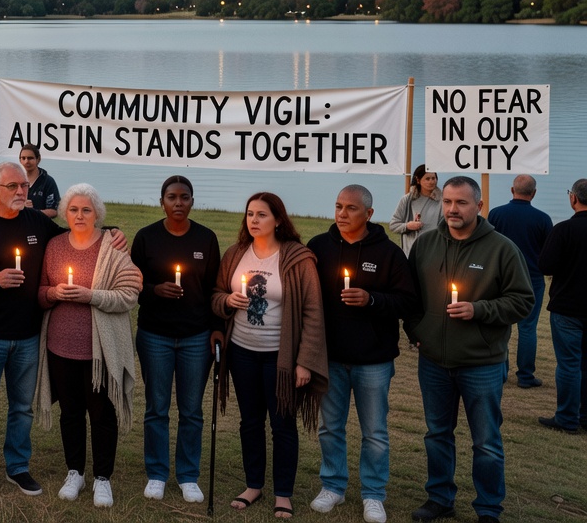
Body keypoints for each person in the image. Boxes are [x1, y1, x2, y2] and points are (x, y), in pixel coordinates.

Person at [0, 161, 122, 501]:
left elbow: (75, 234)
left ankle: (17, 467)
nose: (20, 192)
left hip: (28, 335)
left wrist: (112, 231)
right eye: (12, 186)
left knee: (22, 407)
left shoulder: (37, 223)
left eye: (24, 186)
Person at [404, 176, 532, 523]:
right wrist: (416, 330)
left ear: (479, 206)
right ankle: (440, 498)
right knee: (437, 435)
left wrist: (480, 309)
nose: (452, 209)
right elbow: (410, 296)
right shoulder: (426, 244)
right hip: (433, 361)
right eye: (446, 202)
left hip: (481, 363)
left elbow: (523, 301)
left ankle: (489, 508)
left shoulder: (502, 248)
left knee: (486, 441)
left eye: (461, 203)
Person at [305, 185, 417, 523]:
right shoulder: (319, 247)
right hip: (330, 357)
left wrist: (372, 300)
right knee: (330, 427)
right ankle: (333, 486)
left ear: (368, 214)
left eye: (351, 208)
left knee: (375, 432)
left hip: (374, 360)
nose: (341, 214)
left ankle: (373, 494)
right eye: (338, 206)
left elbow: (408, 302)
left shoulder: (388, 254)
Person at [213, 191, 327, 520]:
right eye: (250, 214)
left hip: (280, 358)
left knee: (282, 425)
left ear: (278, 219)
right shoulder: (236, 254)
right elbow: (217, 294)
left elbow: (313, 312)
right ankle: (253, 485)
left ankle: (283, 493)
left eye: (261, 215)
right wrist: (227, 302)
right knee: (250, 422)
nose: (254, 220)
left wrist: (304, 360)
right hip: (243, 353)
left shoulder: (297, 258)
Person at [35, 184, 142, 509]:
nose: (79, 215)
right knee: (70, 413)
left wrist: (90, 296)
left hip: (100, 351)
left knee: (102, 413)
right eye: (74, 210)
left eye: (86, 210)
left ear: (98, 213)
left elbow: (130, 294)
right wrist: (53, 294)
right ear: (65, 213)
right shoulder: (54, 246)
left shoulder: (113, 247)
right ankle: (75, 472)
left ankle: (103, 478)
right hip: (60, 347)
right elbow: (40, 292)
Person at [129, 175, 221, 504]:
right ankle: (156, 472)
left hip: (196, 337)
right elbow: (132, 286)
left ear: (193, 201)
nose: (178, 203)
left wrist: (216, 328)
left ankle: (188, 474)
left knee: (192, 409)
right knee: (156, 407)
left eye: (184, 197)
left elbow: (214, 288)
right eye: (172, 197)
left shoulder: (206, 239)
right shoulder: (146, 237)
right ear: (162, 202)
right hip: (155, 335)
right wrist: (156, 289)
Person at [487, 174, 554, 388]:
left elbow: (487, 244)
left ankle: (500, 371)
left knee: (500, 323)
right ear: (533, 193)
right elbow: (547, 253)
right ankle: (525, 376)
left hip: (500, 276)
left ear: (511, 190)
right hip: (531, 278)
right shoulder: (543, 219)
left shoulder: (496, 214)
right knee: (528, 328)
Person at [538, 178, 587, 434]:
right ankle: (585, 416)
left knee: (569, 364)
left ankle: (567, 418)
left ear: (573, 198)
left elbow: (545, 265)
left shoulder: (564, 230)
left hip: (567, 306)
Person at [389, 164, 441, 255]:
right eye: (427, 179)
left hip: (435, 252)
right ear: (418, 180)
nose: (432, 181)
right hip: (412, 253)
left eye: (433, 178)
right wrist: (408, 226)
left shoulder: (443, 200)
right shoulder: (407, 200)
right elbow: (393, 225)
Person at [18, 145, 59, 218]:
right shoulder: (14, 180)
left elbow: (54, 211)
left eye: (30, 158)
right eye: (23, 158)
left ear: (38, 159)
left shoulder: (48, 181)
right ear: (20, 160)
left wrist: (34, 212)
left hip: (40, 227)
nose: (26, 161)